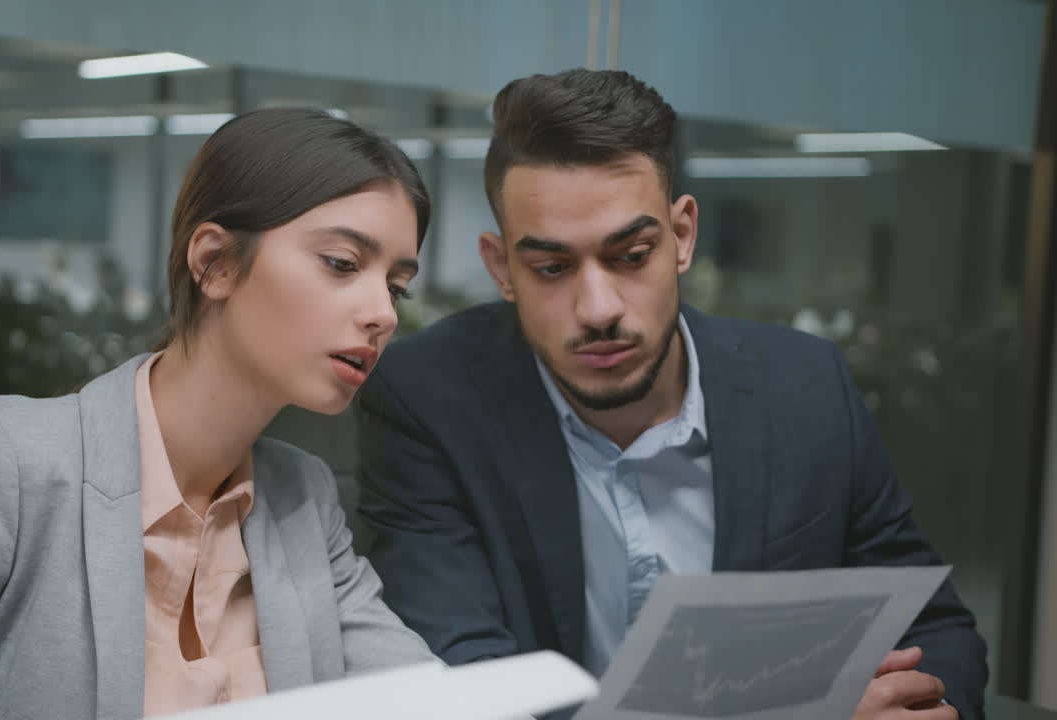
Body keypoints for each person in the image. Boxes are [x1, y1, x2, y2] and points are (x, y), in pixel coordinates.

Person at [355, 69, 987, 720]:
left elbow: (933, 628)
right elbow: (471, 687)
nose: (598, 309)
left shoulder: (808, 387)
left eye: (631, 256)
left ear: (682, 237)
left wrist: (932, 708)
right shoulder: (430, 400)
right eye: (551, 268)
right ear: (501, 268)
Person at [0, 107, 435, 720]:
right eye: (342, 264)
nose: (381, 312)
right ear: (214, 263)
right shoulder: (1, 465)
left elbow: (433, 702)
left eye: (396, 286)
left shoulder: (303, 498)